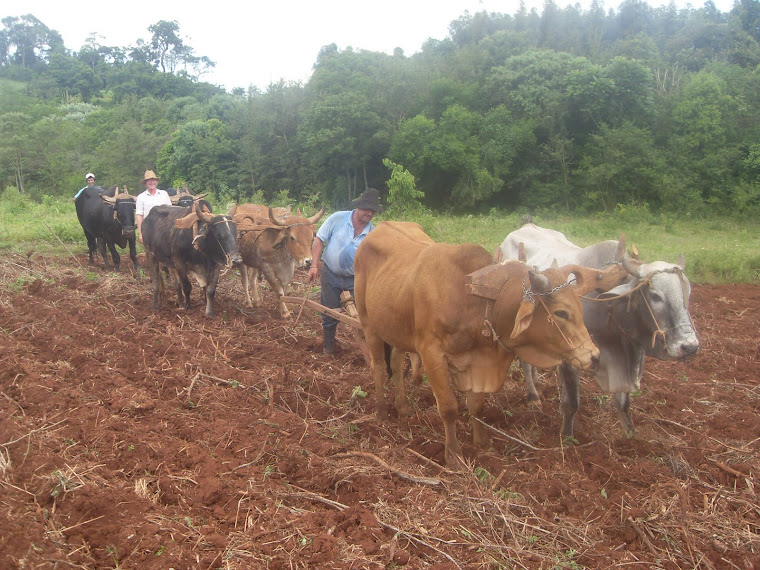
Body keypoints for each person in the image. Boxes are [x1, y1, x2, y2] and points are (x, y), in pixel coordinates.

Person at [307, 188, 381, 355]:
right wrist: (313, 266)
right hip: (329, 274)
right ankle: (328, 349)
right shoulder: (337, 218)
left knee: (363, 316)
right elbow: (319, 240)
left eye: (373, 211)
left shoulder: (373, 233)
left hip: (356, 279)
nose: (369, 213)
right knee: (329, 314)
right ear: (358, 207)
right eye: (367, 209)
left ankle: (370, 352)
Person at [135, 170, 171, 243]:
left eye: (153, 180)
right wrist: (141, 233)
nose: (152, 182)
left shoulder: (164, 194)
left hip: (165, 228)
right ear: (145, 183)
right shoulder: (141, 197)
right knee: (151, 252)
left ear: (156, 182)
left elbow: (171, 211)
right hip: (149, 228)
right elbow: (139, 216)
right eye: (149, 181)